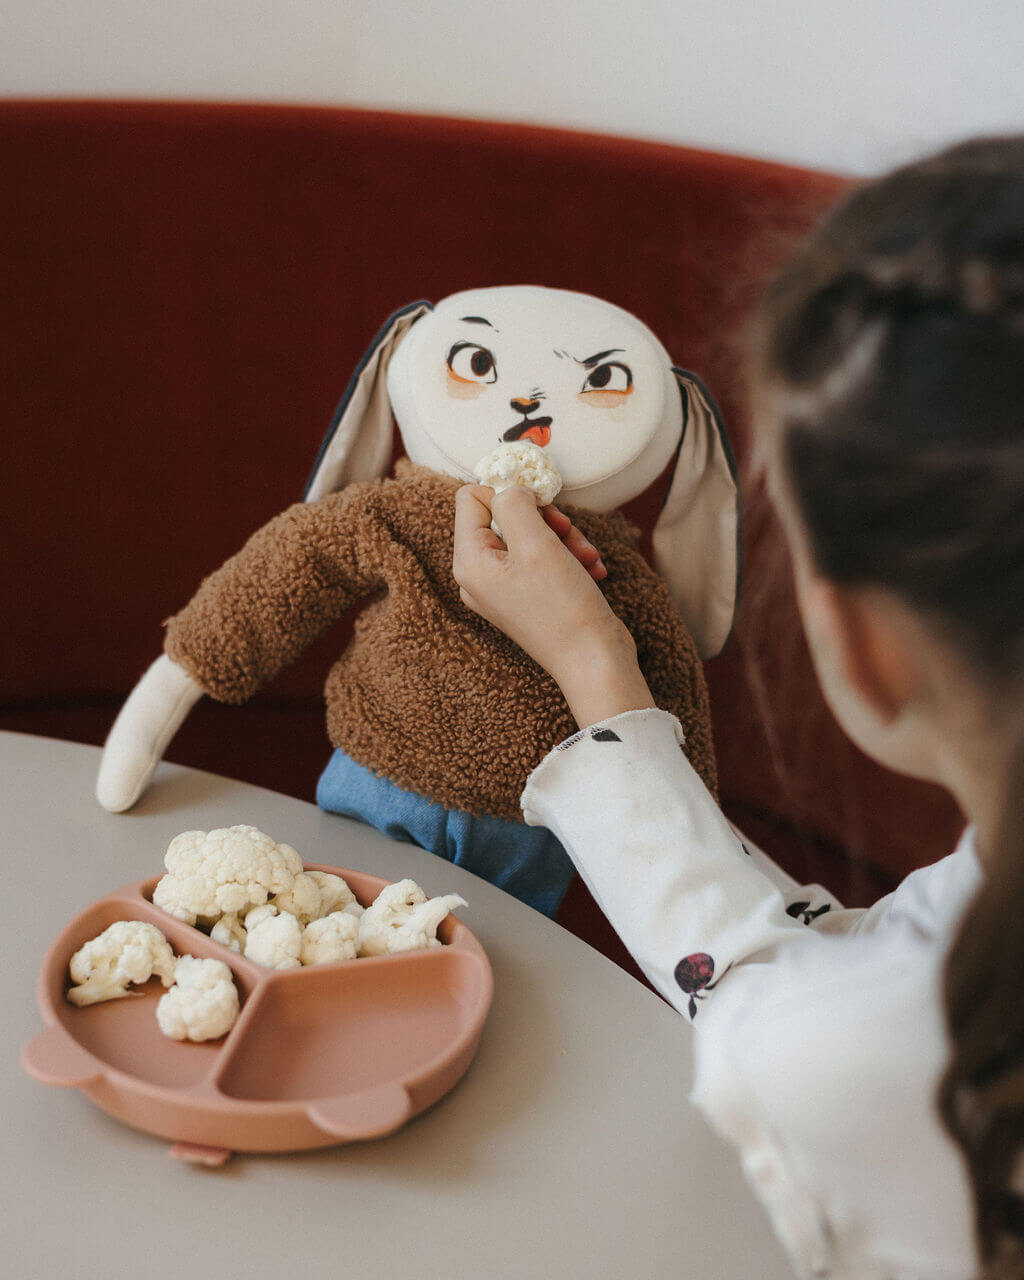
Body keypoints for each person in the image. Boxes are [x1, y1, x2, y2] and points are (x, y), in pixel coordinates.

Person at [452, 135, 1024, 1279]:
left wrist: (588, 658)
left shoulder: (853, 1064)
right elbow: (860, 961)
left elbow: (785, 1013)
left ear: (859, 647)